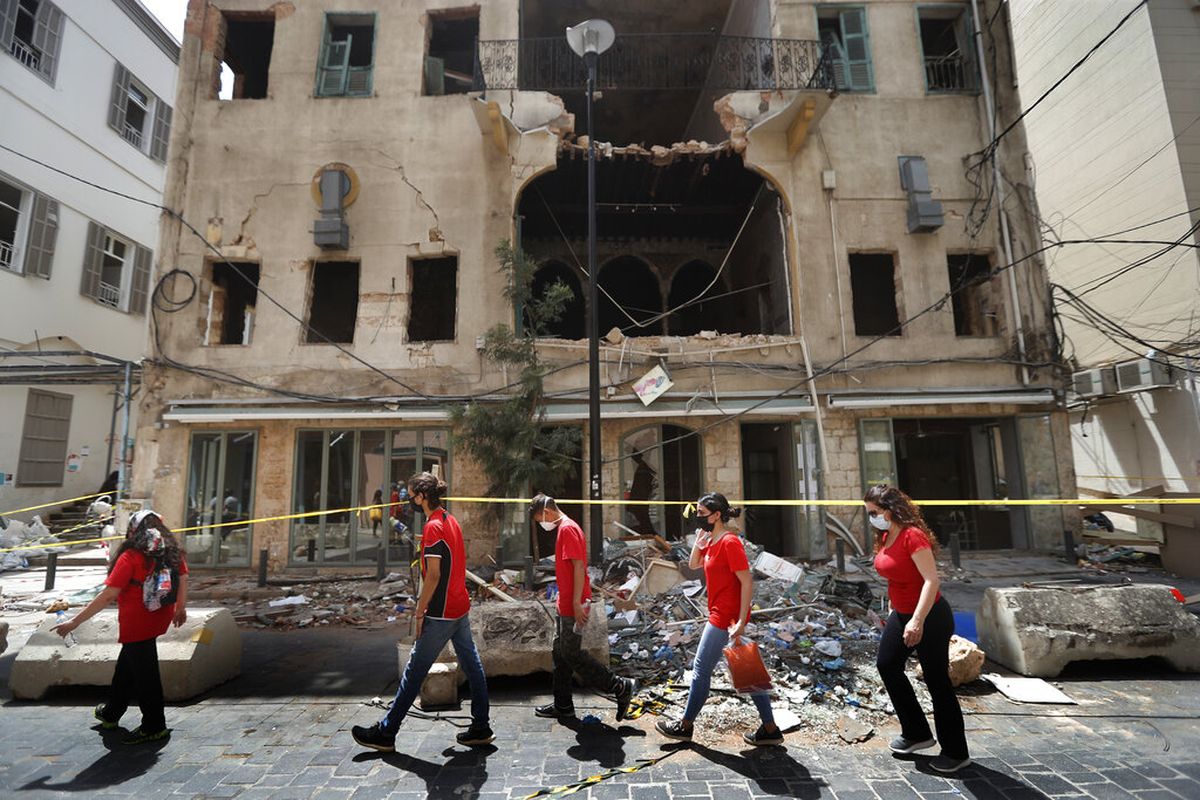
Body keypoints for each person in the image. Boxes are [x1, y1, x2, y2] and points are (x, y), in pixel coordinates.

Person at [352, 472, 493, 751]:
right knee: (473, 667)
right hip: (459, 606)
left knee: (415, 671)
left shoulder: (433, 528)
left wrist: (419, 610)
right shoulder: (449, 520)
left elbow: (434, 575)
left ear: (422, 496)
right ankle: (481, 726)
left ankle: (386, 732)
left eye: (411, 494)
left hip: (440, 612)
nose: (408, 499)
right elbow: (448, 555)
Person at [53, 509, 189, 744]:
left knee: (146, 676)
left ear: (133, 531)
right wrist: (180, 608)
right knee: (128, 666)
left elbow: (108, 596)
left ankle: (154, 726)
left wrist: (74, 621)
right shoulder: (172, 552)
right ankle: (111, 712)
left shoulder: (131, 556)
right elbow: (184, 579)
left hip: (136, 621)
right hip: (160, 615)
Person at [656, 493, 782, 746]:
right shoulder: (713, 541)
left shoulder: (729, 542)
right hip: (722, 614)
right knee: (747, 671)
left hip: (725, 617)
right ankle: (770, 729)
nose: (697, 517)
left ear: (716, 515)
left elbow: (747, 582)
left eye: (702, 513)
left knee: (701, 670)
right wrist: (700, 541)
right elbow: (693, 564)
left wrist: (742, 621)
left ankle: (685, 725)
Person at [865, 484, 970, 773]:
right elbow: (894, 575)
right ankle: (917, 733)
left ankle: (956, 752)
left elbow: (930, 581)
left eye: (874, 512)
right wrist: (893, 610)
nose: (871, 517)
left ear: (889, 510)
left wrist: (917, 620)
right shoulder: (886, 536)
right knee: (887, 665)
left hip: (930, 617)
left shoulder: (913, 536)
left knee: (937, 682)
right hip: (902, 613)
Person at [529, 494, 636, 721]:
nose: (541, 524)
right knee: (560, 653)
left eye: (540, 519)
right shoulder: (567, 528)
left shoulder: (567, 529)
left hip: (572, 604)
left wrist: (576, 602)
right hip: (566, 601)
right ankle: (563, 704)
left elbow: (579, 568)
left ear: (546, 512)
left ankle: (618, 686)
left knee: (571, 653)